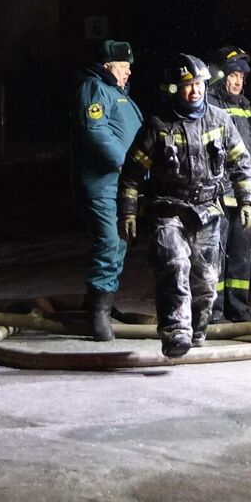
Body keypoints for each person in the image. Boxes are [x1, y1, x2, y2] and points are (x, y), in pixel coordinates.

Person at [118, 54, 251, 357]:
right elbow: (132, 174)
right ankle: (175, 332)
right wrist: (128, 211)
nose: (194, 91)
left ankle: (196, 330)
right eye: (186, 86)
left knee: (207, 280)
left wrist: (248, 202)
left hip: (208, 210)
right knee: (174, 266)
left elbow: (241, 164)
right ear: (174, 89)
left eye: (198, 84)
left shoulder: (220, 120)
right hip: (169, 208)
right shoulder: (158, 125)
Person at [69, 39, 144, 341]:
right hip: (101, 182)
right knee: (109, 241)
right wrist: (127, 162)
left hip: (119, 183)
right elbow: (95, 130)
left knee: (121, 239)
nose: (128, 72)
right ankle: (98, 313)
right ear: (107, 65)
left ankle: (102, 301)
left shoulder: (116, 92)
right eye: (124, 67)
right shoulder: (95, 87)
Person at [205, 45, 251, 322]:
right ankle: (213, 311)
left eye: (241, 76)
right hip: (217, 193)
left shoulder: (245, 105)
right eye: (232, 75)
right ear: (219, 75)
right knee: (216, 254)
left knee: (240, 255)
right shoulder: (209, 105)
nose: (238, 81)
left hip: (243, 192)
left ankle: (237, 308)